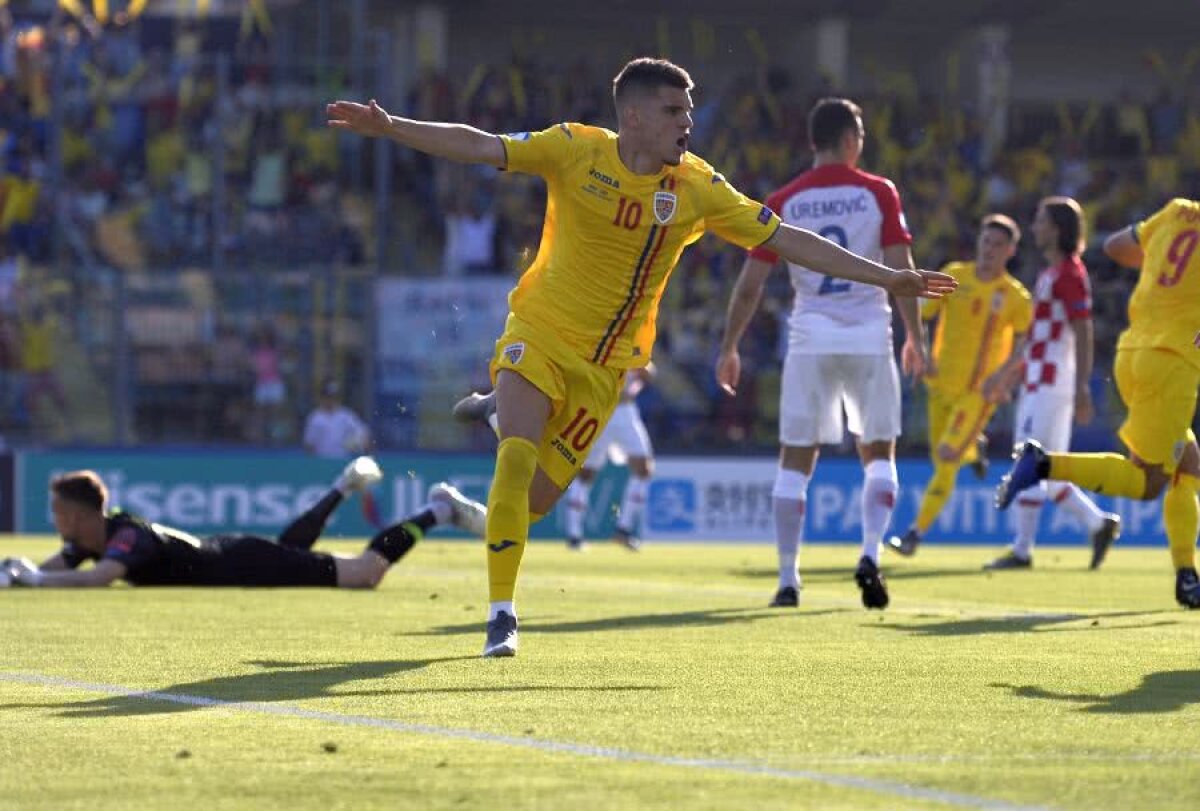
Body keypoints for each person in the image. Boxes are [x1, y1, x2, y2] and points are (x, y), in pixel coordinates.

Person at [328, 57, 956, 657]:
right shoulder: (574, 148)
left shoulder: (698, 188)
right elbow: (482, 144)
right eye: (673, 110)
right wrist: (391, 127)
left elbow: (785, 237)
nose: (688, 121)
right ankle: (501, 614)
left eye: (689, 110)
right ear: (632, 118)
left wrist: (886, 278)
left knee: (536, 502)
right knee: (516, 461)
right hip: (540, 331)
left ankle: (477, 479)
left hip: (605, 368)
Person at [714, 97, 929, 611]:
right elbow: (902, 270)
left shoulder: (784, 199)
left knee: (795, 460)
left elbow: (750, 286)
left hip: (810, 337)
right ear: (851, 139)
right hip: (868, 335)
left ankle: (788, 579)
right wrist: (915, 338)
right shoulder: (878, 192)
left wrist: (730, 345)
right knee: (879, 453)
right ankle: (871, 554)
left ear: (813, 141)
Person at [997, 197, 1200, 608]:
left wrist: (1162, 267)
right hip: (1172, 363)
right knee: (1148, 483)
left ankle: (1186, 574)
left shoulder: (1178, 211)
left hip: (1132, 352)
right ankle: (1043, 465)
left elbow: (1115, 248)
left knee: (1189, 461)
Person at [1, 458, 487, 589]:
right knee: (290, 550)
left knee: (366, 573)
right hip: (237, 556)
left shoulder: (127, 536)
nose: (54, 519)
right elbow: (49, 569)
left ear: (81, 514)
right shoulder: (88, 540)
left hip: (242, 563)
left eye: (58, 511)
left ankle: (439, 509)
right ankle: (341, 486)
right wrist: (17, 576)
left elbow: (99, 578)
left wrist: (37, 580)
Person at [885, 215, 1033, 562]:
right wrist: (921, 350)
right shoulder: (956, 275)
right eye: (986, 241)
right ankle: (975, 449)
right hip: (940, 385)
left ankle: (913, 534)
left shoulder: (1014, 296)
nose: (989, 249)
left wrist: (1004, 376)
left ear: (1010, 251)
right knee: (942, 455)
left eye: (998, 244)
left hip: (979, 394)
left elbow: (1026, 341)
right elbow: (922, 313)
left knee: (947, 459)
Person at [988, 197, 1120, 569]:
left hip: (1051, 382)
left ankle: (1022, 550)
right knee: (1049, 469)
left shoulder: (1069, 274)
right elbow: (1035, 338)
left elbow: (1082, 330)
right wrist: (1006, 374)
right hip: (1039, 379)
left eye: (1041, 221)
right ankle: (1098, 524)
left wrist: (1080, 386)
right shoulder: (1051, 274)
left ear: (1058, 229)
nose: (1035, 227)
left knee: (1028, 460)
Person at [563, 364, 656, 551]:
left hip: (624, 412)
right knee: (585, 473)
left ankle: (623, 530)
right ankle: (574, 535)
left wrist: (636, 384)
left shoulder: (632, 342)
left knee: (643, 469)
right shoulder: (596, 343)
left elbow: (648, 372)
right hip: (599, 410)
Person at [303, 379, 371, 459]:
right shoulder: (315, 417)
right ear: (322, 397)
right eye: (327, 397)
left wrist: (358, 443)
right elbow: (308, 445)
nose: (330, 400)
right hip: (321, 462)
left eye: (333, 397)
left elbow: (364, 435)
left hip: (341, 462)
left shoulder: (346, 415)